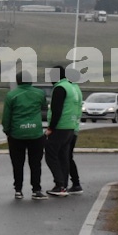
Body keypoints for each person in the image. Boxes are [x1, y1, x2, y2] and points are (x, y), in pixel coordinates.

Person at [1, 71, 47, 200]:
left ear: (17, 81)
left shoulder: (11, 95)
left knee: (17, 163)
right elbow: (44, 108)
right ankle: (36, 189)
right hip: (36, 133)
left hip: (17, 134)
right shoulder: (40, 93)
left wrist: (7, 130)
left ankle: (18, 190)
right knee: (35, 163)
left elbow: (6, 116)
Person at [44, 65, 83, 197]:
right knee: (64, 156)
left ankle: (60, 185)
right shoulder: (72, 87)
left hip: (61, 126)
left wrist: (51, 128)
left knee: (51, 155)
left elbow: (57, 110)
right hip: (71, 127)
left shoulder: (60, 88)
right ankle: (64, 186)